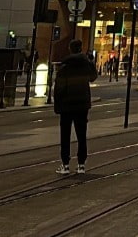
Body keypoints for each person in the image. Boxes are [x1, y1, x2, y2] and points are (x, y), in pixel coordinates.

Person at [53, 38, 98, 175]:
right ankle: (81, 164)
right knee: (81, 134)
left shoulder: (64, 66)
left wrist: (57, 105)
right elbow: (93, 77)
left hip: (67, 104)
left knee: (65, 135)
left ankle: (65, 164)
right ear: (81, 48)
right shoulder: (86, 65)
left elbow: (58, 89)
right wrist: (90, 61)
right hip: (82, 104)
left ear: (70, 49)